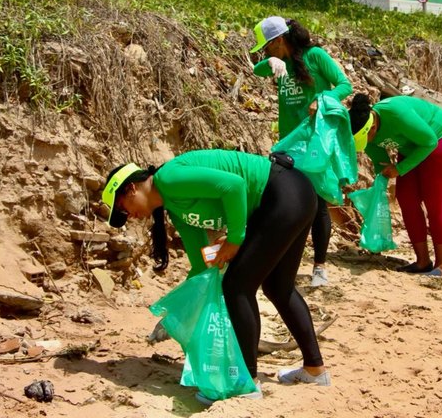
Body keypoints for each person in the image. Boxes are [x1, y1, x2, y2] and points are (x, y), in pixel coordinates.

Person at [101, 150, 332, 404]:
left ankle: (246, 382)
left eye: (122, 208)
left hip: (284, 193)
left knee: (237, 287)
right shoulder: (176, 210)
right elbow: (201, 267)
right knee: (278, 287)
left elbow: (234, 186)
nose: (129, 217)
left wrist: (234, 240)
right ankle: (314, 369)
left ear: (131, 189)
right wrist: (178, 313)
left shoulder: (168, 179)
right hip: (292, 197)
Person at [251, 16, 354, 287]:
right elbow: (258, 70)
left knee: (317, 203)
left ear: (278, 40)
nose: (265, 51)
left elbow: (345, 85)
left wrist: (322, 99)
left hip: (314, 141)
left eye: (267, 47)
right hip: (288, 142)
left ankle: (319, 267)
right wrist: (270, 63)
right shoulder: (278, 62)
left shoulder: (315, 56)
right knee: (290, 201)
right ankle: (286, 264)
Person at [348, 93, 442, 277]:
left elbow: (429, 142)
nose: (367, 143)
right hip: (411, 147)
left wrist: (399, 168)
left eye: (366, 139)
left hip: (441, 140)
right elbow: (380, 161)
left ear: (372, 127)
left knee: (434, 202)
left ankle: (441, 265)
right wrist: (381, 180)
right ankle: (422, 261)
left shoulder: (396, 113)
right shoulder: (363, 129)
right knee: (406, 198)